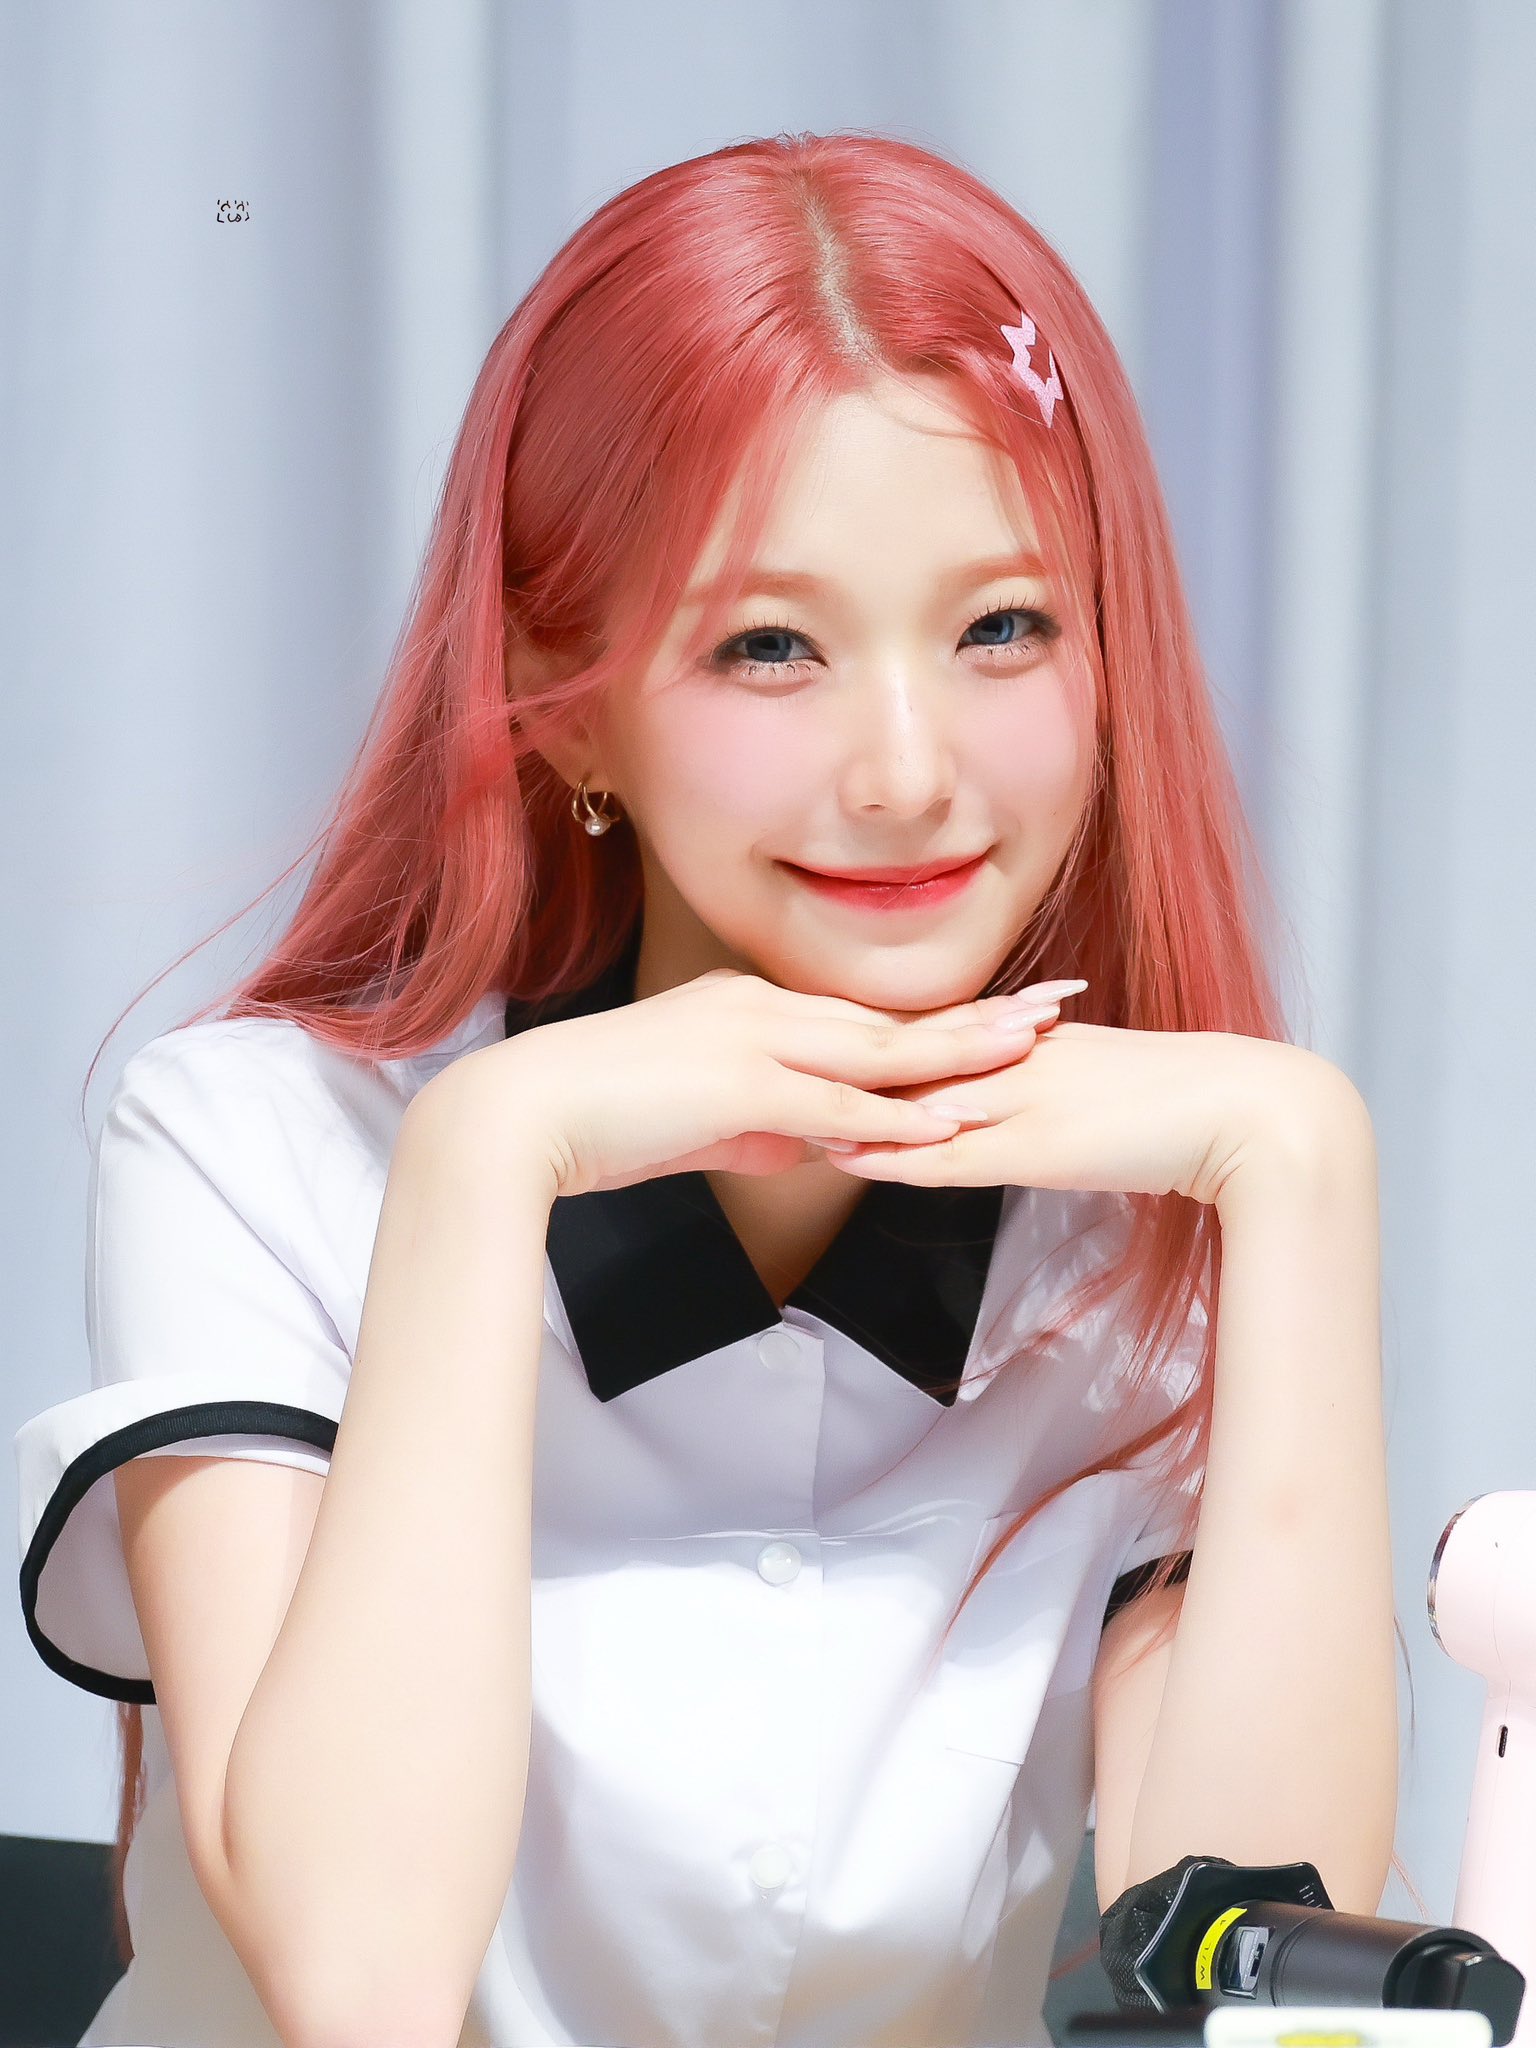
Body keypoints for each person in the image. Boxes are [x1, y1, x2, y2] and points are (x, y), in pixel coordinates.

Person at [14, 130, 1401, 2048]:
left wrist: (1303, 1170)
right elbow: (360, 1979)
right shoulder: (258, 1147)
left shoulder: (1139, 1225)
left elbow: (1251, 1967)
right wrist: (488, 1158)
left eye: (1003, 627)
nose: (907, 773)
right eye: (770, 646)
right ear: (564, 692)